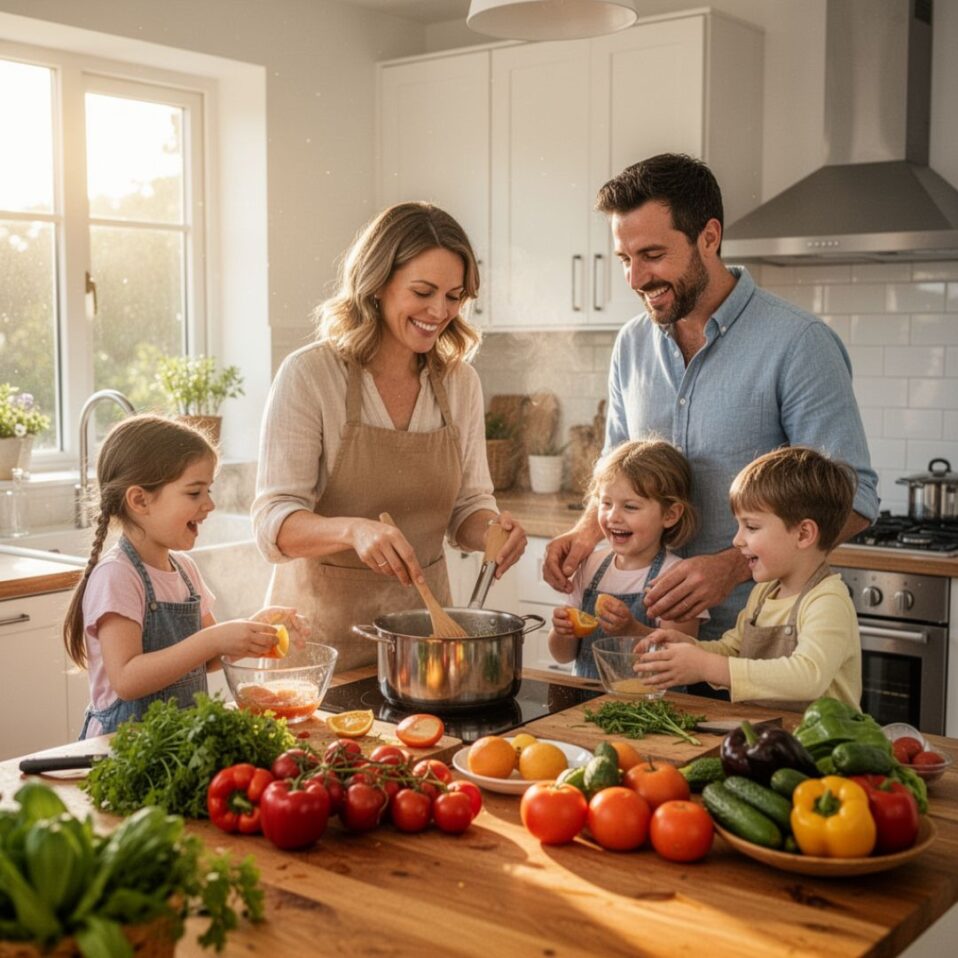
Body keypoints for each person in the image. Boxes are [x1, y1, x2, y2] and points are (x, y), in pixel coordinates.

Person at [544, 153, 878, 657]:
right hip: (639, 650)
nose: (635, 279)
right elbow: (613, 473)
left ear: (709, 236)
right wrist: (585, 531)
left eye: (652, 255)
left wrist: (730, 566)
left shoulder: (798, 343)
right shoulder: (632, 344)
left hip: (757, 644)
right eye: (624, 260)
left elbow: (855, 499)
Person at [252, 202, 527, 671]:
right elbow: (272, 524)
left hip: (426, 645)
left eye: (454, 296)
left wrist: (492, 532)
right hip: (316, 648)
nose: (439, 311)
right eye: (423, 291)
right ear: (377, 284)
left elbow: (468, 507)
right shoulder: (311, 375)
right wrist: (352, 529)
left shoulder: (460, 384)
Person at [63, 415, 304, 738]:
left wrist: (249, 634)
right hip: (121, 749)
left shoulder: (185, 570)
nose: (209, 504)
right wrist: (214, 639)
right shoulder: (117, 576)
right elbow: (127, 679)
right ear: (139, 500)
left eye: (209, 490)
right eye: (194, 493)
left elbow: (206, 659)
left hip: (178, 742)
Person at [635, 446, 861, 711]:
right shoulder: (764, 593)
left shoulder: (827, 600)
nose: (737, 540)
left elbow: (808, 676)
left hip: (826, 748)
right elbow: (733, 650)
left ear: (803, 534)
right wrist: (691, 649)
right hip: (770, 738)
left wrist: (704, 665)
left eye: (751, 527)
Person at [548, 439, 707, 679]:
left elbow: (679, 657)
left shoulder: (679, 578)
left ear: (670, 514)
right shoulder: (589, 566)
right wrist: (564, 632)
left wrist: (630, 629)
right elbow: (562, 656)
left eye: (630, 507)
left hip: (651, 712)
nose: (613, 516)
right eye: (606, 503)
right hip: (582, 708)